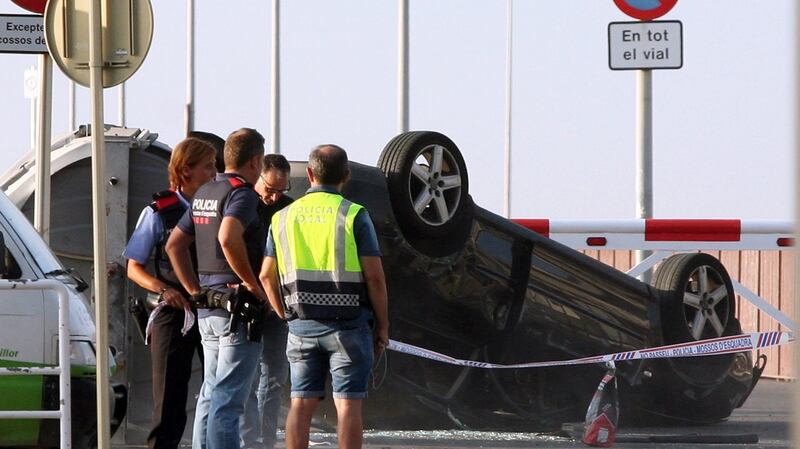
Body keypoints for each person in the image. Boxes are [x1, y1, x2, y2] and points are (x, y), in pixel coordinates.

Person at [259, 145, 389, 449]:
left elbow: (265, 275)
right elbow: (375, 277)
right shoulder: (354, 214)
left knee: (300, 405)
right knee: (347, 406)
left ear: (309, 174)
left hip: (301, 325)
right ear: (346, 175)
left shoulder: (282, 217)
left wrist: (284, 314)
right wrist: (383, 325)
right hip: (349, 326)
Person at [166, 128, 269, 449]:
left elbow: (175, 245)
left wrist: (195, 289)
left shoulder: (207, 191)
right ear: (255, 161)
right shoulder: (242, 194)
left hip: (208, 307)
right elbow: (228, 236)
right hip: (237, 310)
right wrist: (253, 284)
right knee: (229, 400)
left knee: (210, 394)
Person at [122, 137, 217, 449]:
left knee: (219, 391)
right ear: (186, 170)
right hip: (174, 312)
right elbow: (133, 266)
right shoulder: (158, 212)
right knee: (169, 399)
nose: (214, 173)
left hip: (214, 310)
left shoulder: (218, 208)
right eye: (208, 167)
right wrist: (163, 290)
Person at [241, 154, 294, 449]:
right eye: (270, 189)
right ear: (258, 177)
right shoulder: (243, 203)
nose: (274, 197)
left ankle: (266, 438)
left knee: (275, 375)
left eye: (281, 191)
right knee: (246, 374)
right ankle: (249, 439)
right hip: (247, 300)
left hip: (277, 303)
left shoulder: (288, 209)